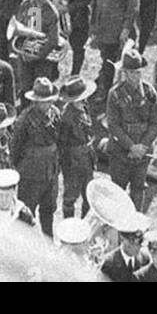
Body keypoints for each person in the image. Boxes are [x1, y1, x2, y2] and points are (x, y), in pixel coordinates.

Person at [105, 45, 157, 211]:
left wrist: (142, 147)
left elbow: (156, 123)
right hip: (121, 152)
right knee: (117, 193)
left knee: (138, 191)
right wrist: (131, 146)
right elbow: (113, 125)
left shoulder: (150, 93)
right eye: (131, 72)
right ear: (124, 73)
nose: (135, 76)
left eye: (138, 72)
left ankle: (135, 229)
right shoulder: (115, 94)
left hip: (142, 154)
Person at [10, 76, 60, 236]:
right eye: (44, 101)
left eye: (50, 100)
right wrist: (20, 170)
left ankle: (48, 241)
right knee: (26, 214)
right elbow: (15, 148)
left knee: (48, 211)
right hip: (30, 175)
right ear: (36, 101)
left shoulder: (56, 114)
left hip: (50, 173)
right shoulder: (25, 119)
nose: (48, 104)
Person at [91, 0, 138, 103]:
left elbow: (132, 7)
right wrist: (95, 28)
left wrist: (126, 30)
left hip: (120, 31)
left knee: (122, 65)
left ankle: (118, 96)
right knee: (107, 61)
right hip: (105, 29)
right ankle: (107, 91)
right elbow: (96, 3)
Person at [58, 74, 95, 219]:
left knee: (89, 195)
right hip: (72, 163)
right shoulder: (66, 117)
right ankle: (69, 228)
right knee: (70, 198)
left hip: (87, 160)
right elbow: (62, 145)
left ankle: (85, 225)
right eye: (79, 99)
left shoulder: (84, 108)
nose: (83, 101)